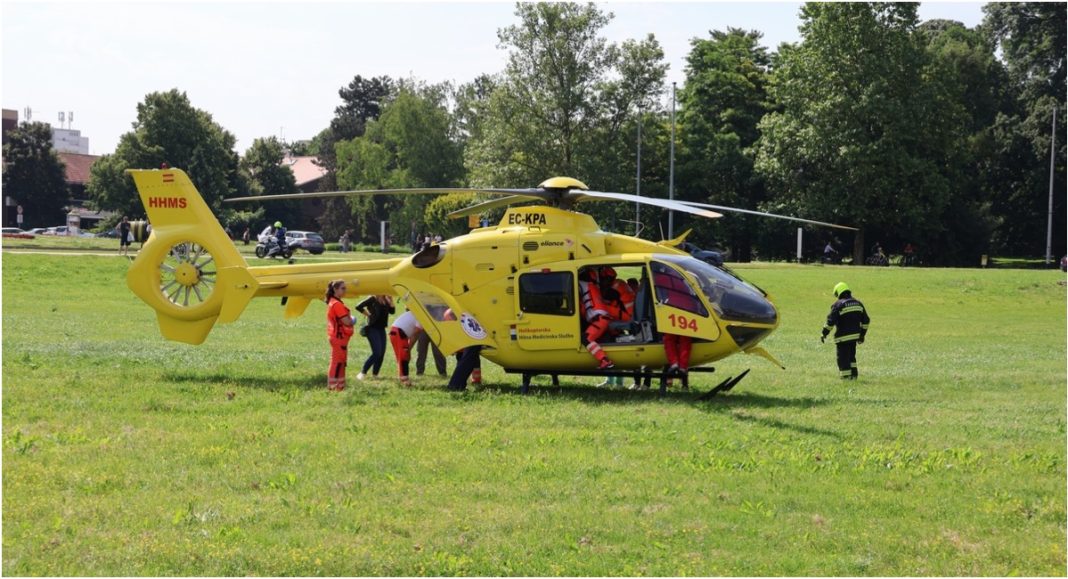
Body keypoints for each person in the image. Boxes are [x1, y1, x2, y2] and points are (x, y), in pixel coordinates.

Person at [821, 282, 870, 380]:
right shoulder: (858, 303)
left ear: (838, 293)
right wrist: (862, 335)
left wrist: (824, 333)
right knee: (852, 357)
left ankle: (846, 378)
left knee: (843, 359)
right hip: (854, 337)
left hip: (842, 338)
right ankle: (854, 376)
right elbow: (866, 321)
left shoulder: (838, 305)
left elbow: (830, 322)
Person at [578, 268, 615, 369]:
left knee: (586, 338)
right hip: (603, 318)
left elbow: (571, 284)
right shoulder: (594, 287)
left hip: (599, 319)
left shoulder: (583, 284)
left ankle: (604, 360)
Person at [324, 280, 356, 391]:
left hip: (337, 337)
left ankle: (340, 387)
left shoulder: (334, 302)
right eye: (343, 288)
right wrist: (352, 320)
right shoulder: (337, 304)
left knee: (341, 362)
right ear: (335, 289)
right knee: (337, 362)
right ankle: (333, 387)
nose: (345, 290)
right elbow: (346, 321)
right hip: (338, 337)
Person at [354, 294, 394, 380]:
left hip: (381, 329)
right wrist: (368, 315)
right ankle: (363, 372)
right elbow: (358, 306)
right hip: (372, 328)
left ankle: (375, 374)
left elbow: (392, 311)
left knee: (382, 353)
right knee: (377, 353)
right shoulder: (372, 298)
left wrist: (391, 301)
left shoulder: (386, 299)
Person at [443, 308, 482, 390]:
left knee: (468, 360)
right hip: (464, 347)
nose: (447, 323)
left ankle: (473, 380)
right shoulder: (457, 322)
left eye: (449, 320)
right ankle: (460, 384)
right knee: (466, 361)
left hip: (467, 345)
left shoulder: (463, 322)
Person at [389, 309, 423, 386]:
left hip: (396, 331)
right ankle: (405, 380)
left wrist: (409, 348)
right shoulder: (421, 318)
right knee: (403, 357)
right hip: (399, 332)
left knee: (403, 356)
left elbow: (415, 334)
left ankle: (402, 378)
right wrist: (409, 348)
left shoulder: (417, 312)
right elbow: (416, 333)